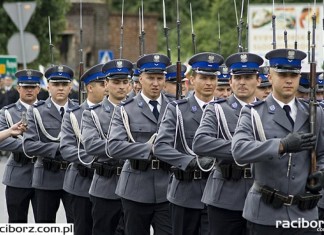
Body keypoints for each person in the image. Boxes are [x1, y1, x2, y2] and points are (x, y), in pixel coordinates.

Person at [231, 48, 323, 234]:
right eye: (282, 74)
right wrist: (281, 145)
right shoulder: (253, 112)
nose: (288, 80)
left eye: (293, 74)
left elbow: (322, 153)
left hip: (305, 214)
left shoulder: (315, 112)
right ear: (270, 77)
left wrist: (322, 171)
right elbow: (239, 150)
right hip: (266, 213)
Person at [192, 52, 263, 235]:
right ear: (230, 82)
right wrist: (244, 150)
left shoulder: (267, 111)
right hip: (226, 193)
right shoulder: (217, 109)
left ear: (258, 81)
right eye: (237, 77)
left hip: (262, 192)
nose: (242, 82)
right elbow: (200, 143)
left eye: (248, 78)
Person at [154, 52, 224, 235]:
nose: (209, 83)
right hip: (186, 192)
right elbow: (160, 147)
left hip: (219, 192)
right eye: (203, 77)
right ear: (191, 80)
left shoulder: (225, 110)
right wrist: (189, 162)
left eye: (212, 78)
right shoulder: (178, 110)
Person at [108, 53, 172, 235]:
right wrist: (149, 149)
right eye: (150, 78)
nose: (155, 83)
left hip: (166, 186)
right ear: (140, 79)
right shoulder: (125, 109)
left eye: (160, 78)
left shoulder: (175, 107)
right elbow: (114, 146)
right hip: (135, 187)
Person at [81, 59, 133, 235]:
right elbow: (91, 145)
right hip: (106, 186)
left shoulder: (137, 111)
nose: (121, 87)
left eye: (125, 82)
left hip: (134, 186)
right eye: (116, 82)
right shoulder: (93, 114)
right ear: (106, 84)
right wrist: (125, 147)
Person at [22, 65, 76, 223]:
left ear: (70, 87)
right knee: (46, 226)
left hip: (73, 176)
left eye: (64, 84)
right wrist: (59, 149)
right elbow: (29, 145)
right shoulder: (35, 111)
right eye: (56, 84)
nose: (60, 88)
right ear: (48, 86)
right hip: (46, 175)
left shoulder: (79, 110)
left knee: (77, 225)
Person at [60, 64, 107, 235]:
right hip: (82, 183)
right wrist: (95, 160)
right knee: (83, 229)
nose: (107, 87)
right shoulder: (74, 114)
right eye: (102, 84)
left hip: (110, 184)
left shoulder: (119, 112)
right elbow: (66, 149)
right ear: (89, 88)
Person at [0, 69, 41, 223]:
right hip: (18, 172)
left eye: (33, 87)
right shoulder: (7, 112)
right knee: (17, 224)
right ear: (18, 88)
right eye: (25, 87)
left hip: (44, 172)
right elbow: (2, 140)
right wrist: (32, 146)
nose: (29, 90)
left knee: (44, 224)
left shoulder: (47, 111)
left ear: (39, 88)